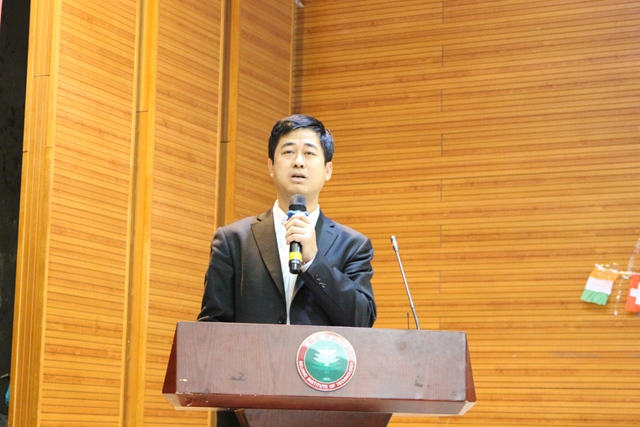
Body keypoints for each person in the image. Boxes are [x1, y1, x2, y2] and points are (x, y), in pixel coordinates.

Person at [198, 114, 377, 327]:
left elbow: (361, 320)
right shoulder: (233, 240)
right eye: (288, 152)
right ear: (271, 166)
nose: (298, 162)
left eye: (309, 153)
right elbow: (211, 327)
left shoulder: (353, 245)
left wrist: (313, 262)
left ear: (327, 170)